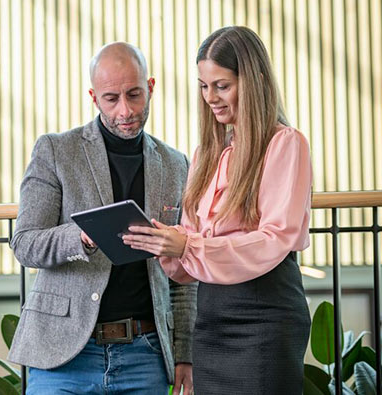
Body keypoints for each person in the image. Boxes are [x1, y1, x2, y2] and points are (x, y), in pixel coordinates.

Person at [123, 26, 312, 394]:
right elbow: (189, 250)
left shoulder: (285, 144)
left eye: (222, 86)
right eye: (203, 86)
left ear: (255, 80)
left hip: (265, 317)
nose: (211, 97)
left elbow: (275, 239)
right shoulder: (205, 155)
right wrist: (170, 243)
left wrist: (189, 247)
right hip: (211, 320)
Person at [8, 42, 197, 395]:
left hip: (145, 355)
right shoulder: (55, 150)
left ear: (151, 87)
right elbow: (25, 243)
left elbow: (185, 275)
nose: (125, 110)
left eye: (134, 95)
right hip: (64, 356)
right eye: (111, 99)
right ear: (94, 97)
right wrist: (81, 236)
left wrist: (185, 353)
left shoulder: (176, 165)